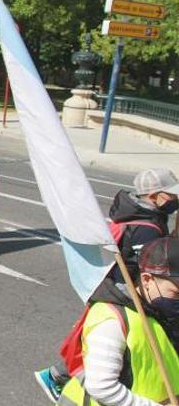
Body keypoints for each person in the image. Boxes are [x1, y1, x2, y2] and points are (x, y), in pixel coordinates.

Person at [35, 168, 179, 401]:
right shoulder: (146, 230)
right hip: (127, 294)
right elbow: (152, 263)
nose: (175, 200)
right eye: (171, 195)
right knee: (114, 348)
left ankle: (56, 375)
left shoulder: (134, 212)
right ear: (155, 196)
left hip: (121, 291)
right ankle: (56, 376)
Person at [54, 236, 179, 406]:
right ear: (147, 280)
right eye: (177, 293)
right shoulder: (112, 319)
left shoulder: (158, 311)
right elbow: (102, 387)